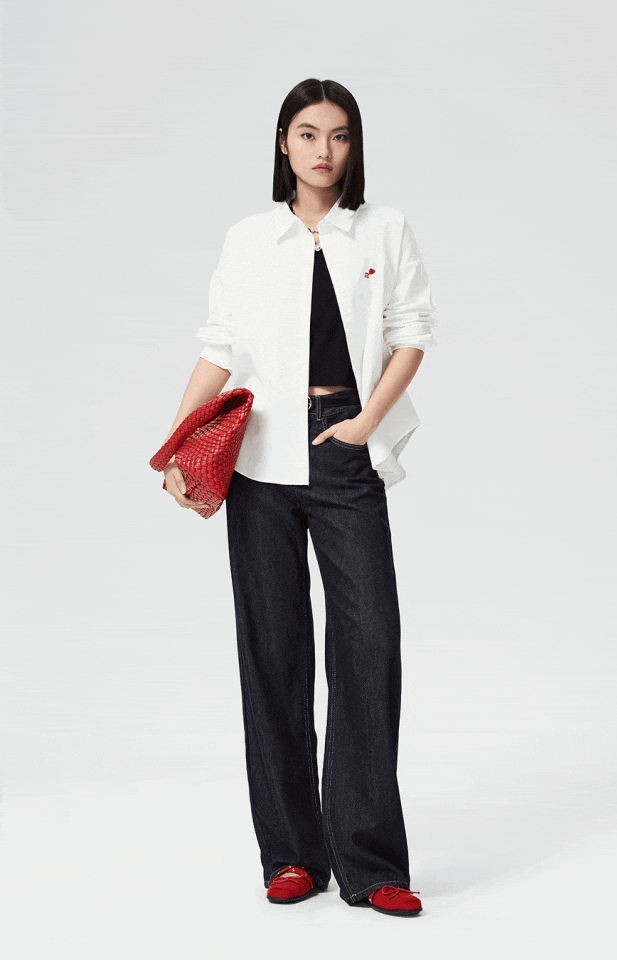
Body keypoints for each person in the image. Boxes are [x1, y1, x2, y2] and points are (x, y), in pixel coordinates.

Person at [158, 78, 439, 917]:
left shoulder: (383, 229)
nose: (324, 150)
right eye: (309, 133)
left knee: (369, 649)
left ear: (355, 146)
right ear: (284, 142)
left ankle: (372, 863)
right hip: (260, 459)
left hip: (344, 446)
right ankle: (290, 854)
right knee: (273, 655)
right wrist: (176, 448)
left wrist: (365, 422)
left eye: (340, 135)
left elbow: (411, 334)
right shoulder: (250, 239)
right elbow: (219, 347)